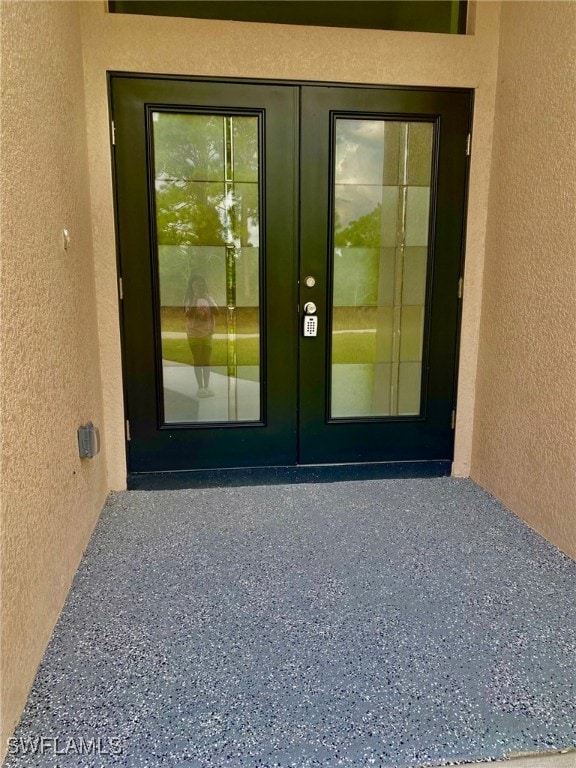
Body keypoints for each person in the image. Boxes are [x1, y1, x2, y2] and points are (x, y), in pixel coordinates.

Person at [184, 274, 218, 397]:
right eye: (196, 284)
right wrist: (195, 300)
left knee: (206, 361)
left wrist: (207, 299)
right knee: (198, 361)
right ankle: (200, 387)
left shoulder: (209, 298)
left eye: (201, 285)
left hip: (208, 333)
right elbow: (188, 314)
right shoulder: (189, 299)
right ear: (192, 286)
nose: (198, 287)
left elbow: (217, 312)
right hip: (194, 334)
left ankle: (207, 387)